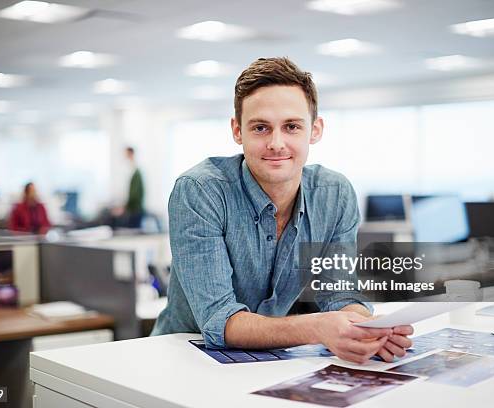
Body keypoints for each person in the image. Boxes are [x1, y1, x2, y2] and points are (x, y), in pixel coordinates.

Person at [152, 57, 413, 364]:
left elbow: (339, 294)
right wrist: (319, 327)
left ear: (315, 130)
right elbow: (219, 320)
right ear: (237, 131)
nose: (277, 143)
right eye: (261, 127)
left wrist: (366, 330)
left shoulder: (335, 193)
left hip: (268, 360)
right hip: (187, 359)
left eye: (291, 126)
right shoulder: (200, 191)